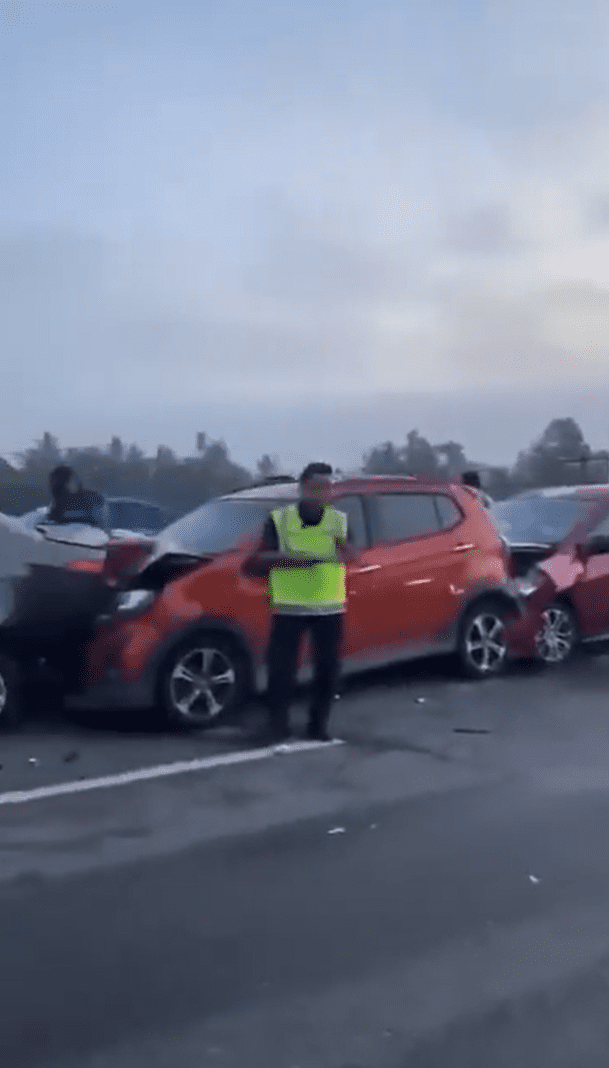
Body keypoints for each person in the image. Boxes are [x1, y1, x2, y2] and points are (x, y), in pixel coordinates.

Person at [242, 462, 358, 744]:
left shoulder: (339, 521)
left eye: (328, 488)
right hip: (289, 607)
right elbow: (256, 561)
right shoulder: (280, 520)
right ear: (303, 488)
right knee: (281, 672)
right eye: (318, 487)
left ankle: (318, 727)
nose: (324, 494)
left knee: (328, 672)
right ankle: (277, 727)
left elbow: (353, 556)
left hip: (329, 607)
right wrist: (295, 559)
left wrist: (344, 547)